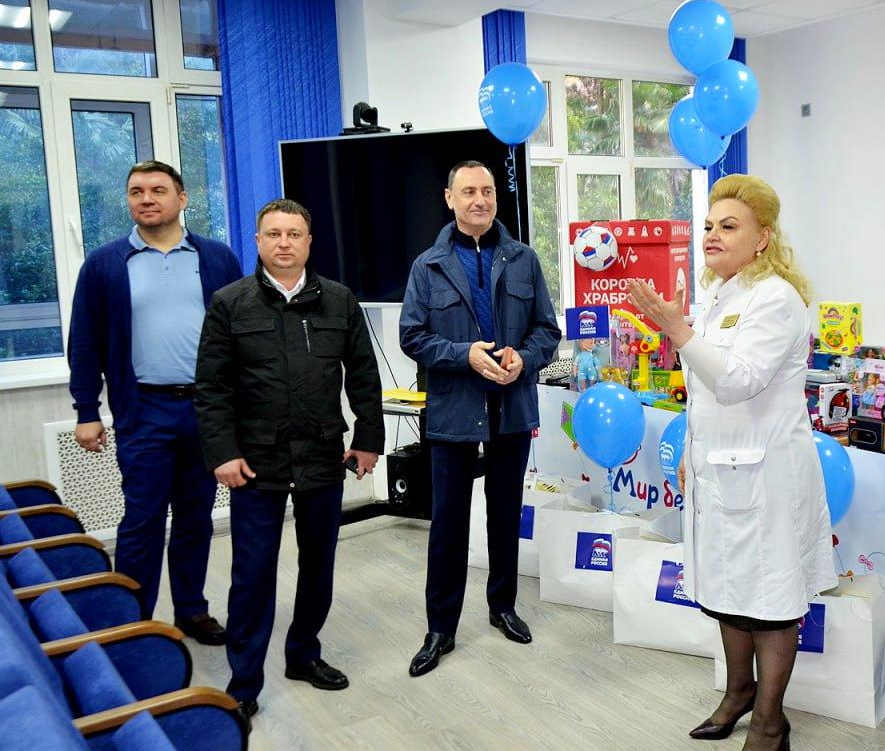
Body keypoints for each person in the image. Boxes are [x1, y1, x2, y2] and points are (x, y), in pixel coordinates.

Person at [628, 174, 835, 751]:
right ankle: (739, 690)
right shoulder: (722, 292)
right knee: (725, 587)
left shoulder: (776, 299)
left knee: (769, 600)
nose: (712, 235)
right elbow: (702, 390)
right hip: (719, 466)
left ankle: (770, 722)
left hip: (767, 475)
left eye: (728, 226)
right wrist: (691, 451)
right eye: (708, 226)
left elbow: (739, 381)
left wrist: (677, 330)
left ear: (763, 237)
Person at [195, 199, 384, 724]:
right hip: (256, 463)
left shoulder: (339, 301)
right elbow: (211, 389)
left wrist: (368, 438)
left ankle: (303, 655)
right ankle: (243, 684)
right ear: (258, 242)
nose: (284, 243)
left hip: (322, 454)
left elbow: (363, 376)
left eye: (294, 234)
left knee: (318, 566)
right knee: (252, 576)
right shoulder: (230, 303)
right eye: (274, 234)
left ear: (308, 242)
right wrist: (223, 453)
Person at [67, 160, 241, 642]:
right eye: (136, 191)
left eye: (158, 190)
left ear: (181, 199)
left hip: (206, 410)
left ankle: (191, 611)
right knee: (142, 519)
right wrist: (86, 411)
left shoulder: (217, 258)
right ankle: (134, 621)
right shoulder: (104, 263)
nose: (146, 199)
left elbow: (241, 334)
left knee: (195, 518)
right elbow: (84, 342)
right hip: (143, 410)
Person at [399, 161, 561, 677]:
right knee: (448, 521)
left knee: (505, 513)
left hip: (511, 407)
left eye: (487, 191)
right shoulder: (428, 265)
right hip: (454, 409)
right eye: (468, 191)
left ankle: (502, 607)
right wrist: (463, 354)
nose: (480, 200)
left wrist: (523, 359)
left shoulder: (523, 259)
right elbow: (412, 336)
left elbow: (547, 330)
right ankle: (440, 628)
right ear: (449, 198)